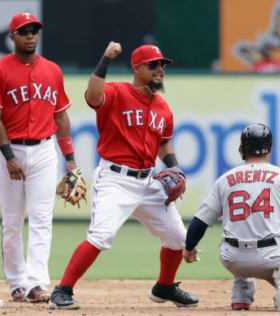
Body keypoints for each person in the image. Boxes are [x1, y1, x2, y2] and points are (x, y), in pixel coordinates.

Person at [48, 42, 199, 310]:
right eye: (154, 64)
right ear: (137, 67)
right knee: (101, 236)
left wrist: (174, 167)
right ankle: (62, 290)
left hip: (148, 181)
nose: (160, 69)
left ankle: (164, 287)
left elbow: (164, 142)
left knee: (178, 238)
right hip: (115, 179)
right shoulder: (117, 92)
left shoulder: (162, 106)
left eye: (162, 64)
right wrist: (105, 58)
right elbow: (93, 97)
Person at [0, 12, 80, 303]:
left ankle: (36, 282)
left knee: (42, 219)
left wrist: (69, 157)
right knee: (11, 222)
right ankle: (16, 282)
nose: (30, 35)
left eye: (34, 30)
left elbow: (60, 115)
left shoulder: (52, 70)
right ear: (12, 36)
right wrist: (8, 156)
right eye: (24, 31)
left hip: (45, 150)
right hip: (11, 149)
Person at [183, 123, 280, 312]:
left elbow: (199, 222)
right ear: (270, 148)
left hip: (232, 259)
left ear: (242, 148)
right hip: (272, 256)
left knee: (242, 228)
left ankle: (241, 297)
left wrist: (188, 249)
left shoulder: (225, 179)